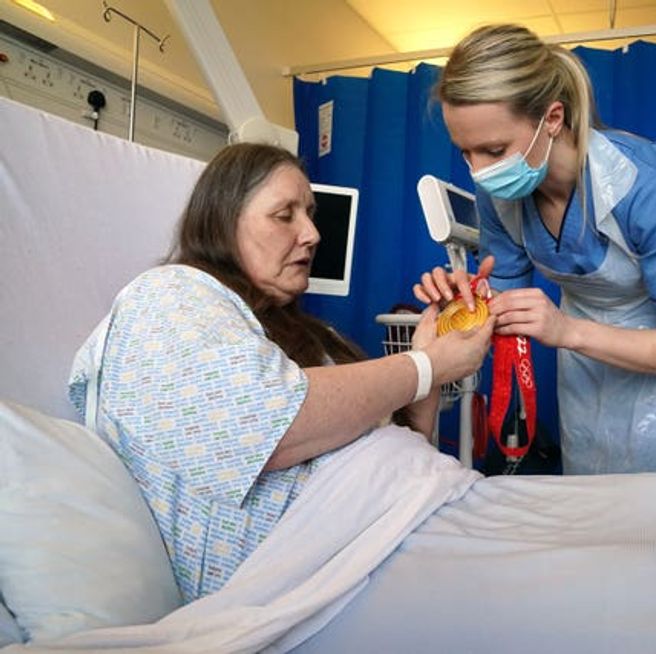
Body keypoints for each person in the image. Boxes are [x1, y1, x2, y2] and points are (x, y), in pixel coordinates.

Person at [68, 143, 494, 602]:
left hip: (393, 527)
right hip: (316, 578)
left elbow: (393, 453)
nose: (312, 233)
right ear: (223, 220)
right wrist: (426, 367)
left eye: (309, 214)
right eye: (284, 215)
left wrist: (427, 356)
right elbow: (274, 424)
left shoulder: (306, 335)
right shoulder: (169, 298)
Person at [415, 24, 656, 485]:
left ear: (552, 119)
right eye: (465, 152)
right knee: (594, 489)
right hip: (583, 348)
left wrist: (565, 329)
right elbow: (501, 309)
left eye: (493, 150)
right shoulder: (499, 194)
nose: (479, 173)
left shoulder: (650, 187)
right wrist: (463, 309)